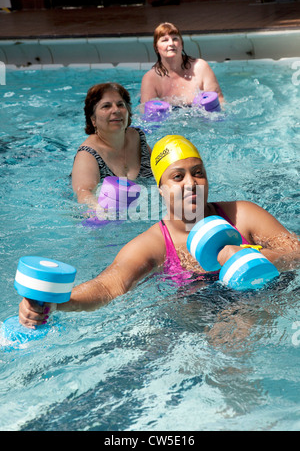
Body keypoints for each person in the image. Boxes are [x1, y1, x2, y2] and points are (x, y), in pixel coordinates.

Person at [19, 135, 299, 327]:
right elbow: (108, 286)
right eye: (178, 176)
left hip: (271, 301)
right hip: (200, 321)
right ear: (162, 189)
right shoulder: (154, 245)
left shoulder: (242, 214)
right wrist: (55, 303)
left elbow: (295, 251)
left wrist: (251, 255)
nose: (191, 183)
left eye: (198, 172)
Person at [72, 82, 152, 207]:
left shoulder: (137, 138)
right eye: (106, 106)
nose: (116, 110)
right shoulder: (88, 154)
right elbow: (83, 194)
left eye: (120, 105)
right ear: (93, 120)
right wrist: (101, 210)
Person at [140, 22, 224, 106]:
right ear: (156, 48)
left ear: (182, 44)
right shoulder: (151, 79)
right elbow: (145, 112)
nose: (171, 43)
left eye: (175, 39)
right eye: (165, 40)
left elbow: (219, 101)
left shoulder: (201, 67)